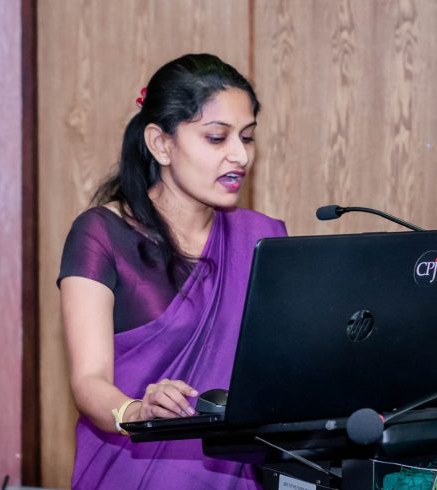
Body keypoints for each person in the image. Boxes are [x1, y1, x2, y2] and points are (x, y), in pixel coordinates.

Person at [57, 53, 287, 489]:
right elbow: (88, 380)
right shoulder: (100, 234)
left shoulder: (263, 237)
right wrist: (137, 411)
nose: (240, 155)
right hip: (129, 470)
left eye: (247, 137)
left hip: (234, 473)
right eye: (217, 137)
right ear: (160, 144)